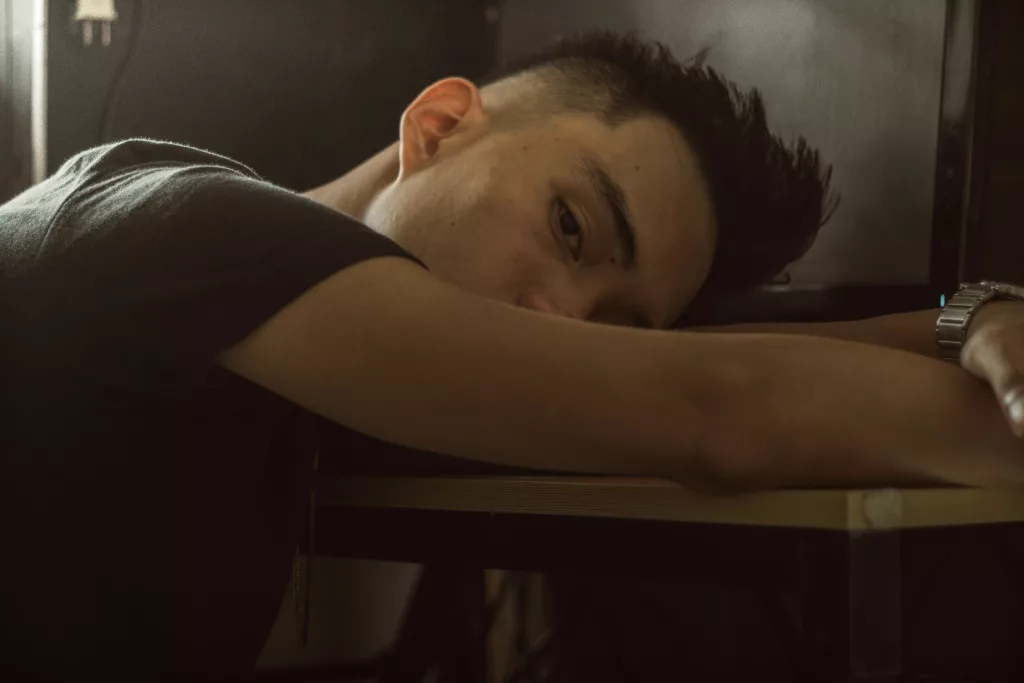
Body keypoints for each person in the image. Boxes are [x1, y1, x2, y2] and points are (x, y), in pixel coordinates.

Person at [2, 31, 1023, 676]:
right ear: (440, 127)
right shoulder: (195, 224)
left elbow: (739, 359)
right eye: (572, 228)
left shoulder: (271, 326)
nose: (559, 322)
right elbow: (720, 409)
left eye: (620, 330)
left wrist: (968, 311)